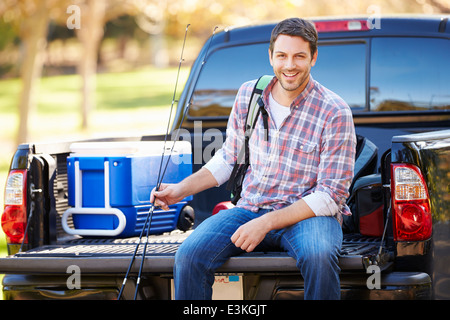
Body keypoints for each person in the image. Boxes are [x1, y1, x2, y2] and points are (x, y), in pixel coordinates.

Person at [151, 17, 356, 300]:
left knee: (319, 257)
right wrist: (179, 191)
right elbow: (229, 158)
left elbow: (330, 196)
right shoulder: (249, 94)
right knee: (189, 255)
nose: (289, 65)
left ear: (314, 57)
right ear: (270, 56)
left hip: (307, 217)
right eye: (282, 55)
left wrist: (267, 222)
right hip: (250, 208)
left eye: (299, 56)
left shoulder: (334, 111)